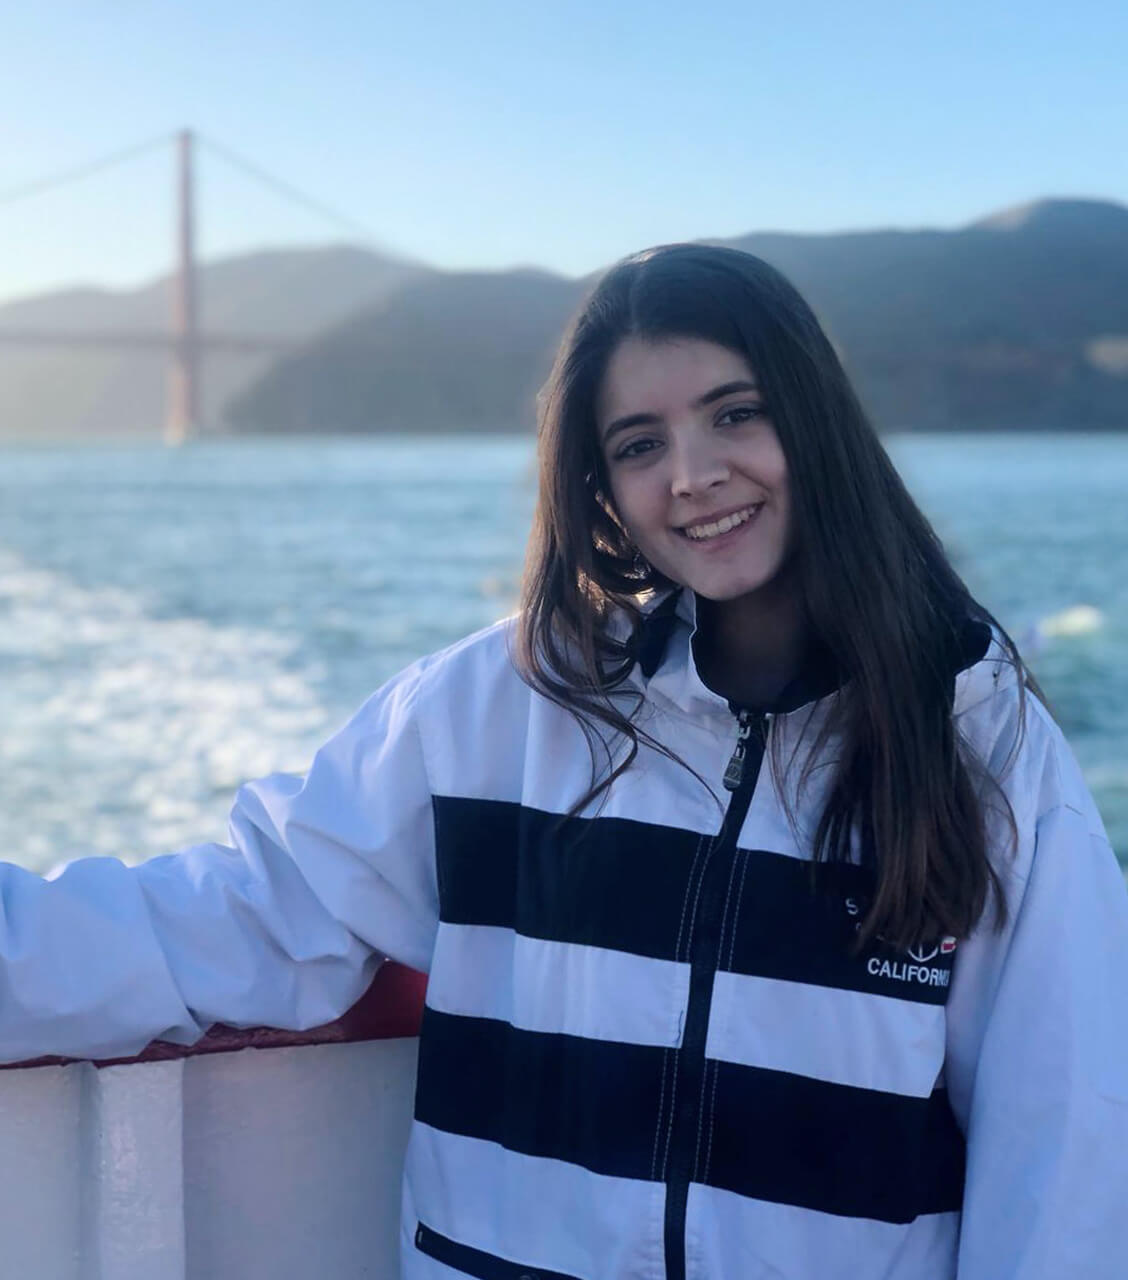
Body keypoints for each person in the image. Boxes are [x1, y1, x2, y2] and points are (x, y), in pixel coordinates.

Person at [1, 244, 1125, 1279]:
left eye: (736, 414)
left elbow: (1063, 1143)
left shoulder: (981, 746)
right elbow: (249, 913)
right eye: (639, 444)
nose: (691, 474)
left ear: (818, 423)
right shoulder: (497, 707)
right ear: (599, 485)